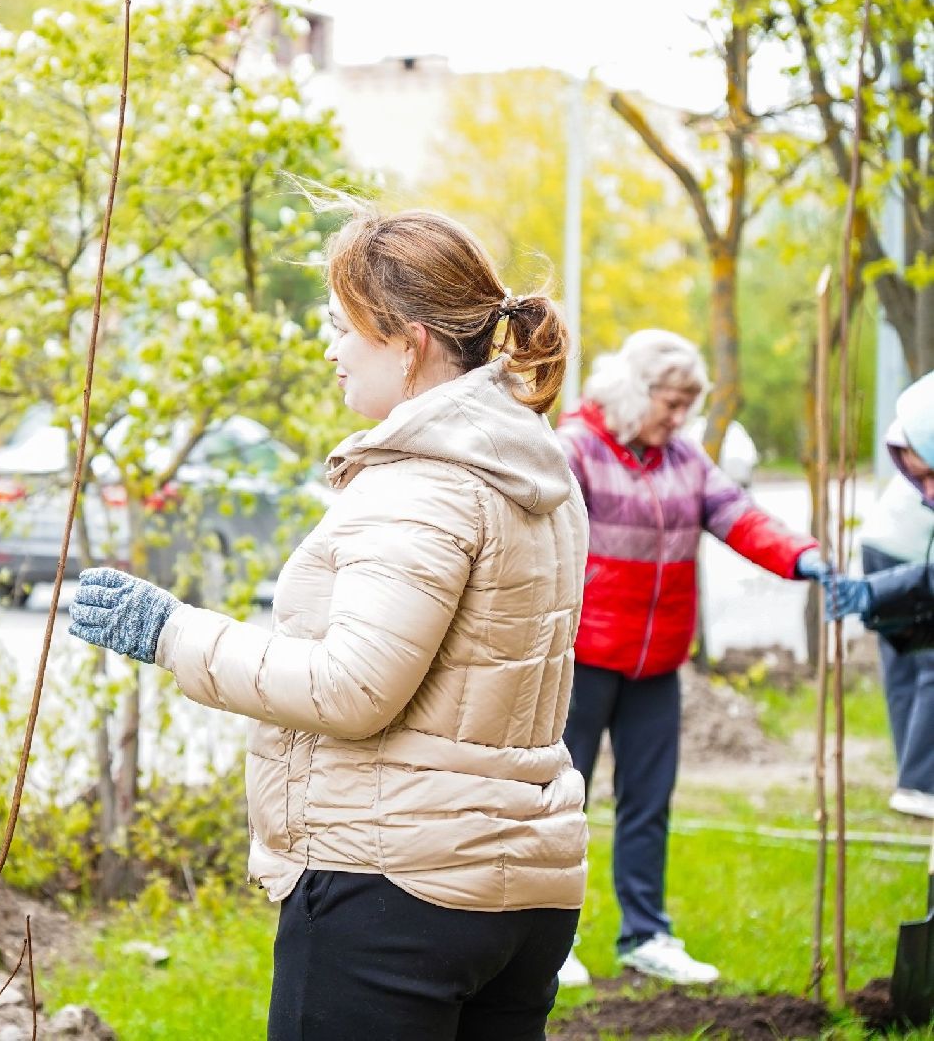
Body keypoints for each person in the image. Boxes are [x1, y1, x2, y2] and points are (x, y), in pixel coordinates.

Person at [69, 203, 591, 1041]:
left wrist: (170, 632)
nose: (328, 348)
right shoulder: (531, 465)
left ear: (408, 341)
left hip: (394, 889)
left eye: (340, 326)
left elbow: (352, 690)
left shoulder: (424, 484)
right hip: (519, 888)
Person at [555, 329, 827, 988]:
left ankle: (645, 934)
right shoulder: (574, 448)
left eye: (686, 406)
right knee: (561, 803)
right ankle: (546, 946)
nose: (679, 419)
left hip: (656, 664)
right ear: (633, 389)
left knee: (648, 803)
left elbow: (738, 515)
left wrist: (803, 557)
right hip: (582, 661)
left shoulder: (682, 459)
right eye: (671, 404)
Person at [826, 370, 934, 818]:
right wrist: (877, 592)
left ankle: (916, 779)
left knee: (918, 666)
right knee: (920, 662)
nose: (926, 495)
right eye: (919, 481)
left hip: (892, 548)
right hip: (901, 549)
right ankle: (919, 781)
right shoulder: (921, 425)